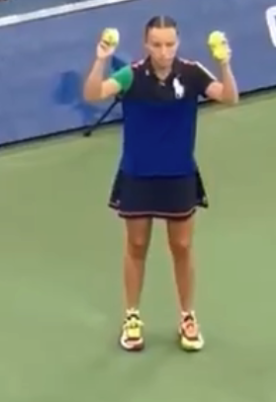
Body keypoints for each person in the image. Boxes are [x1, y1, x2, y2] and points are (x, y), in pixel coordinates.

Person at [82, 17, 239, 352]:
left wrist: (224, 64)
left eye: (169, 44)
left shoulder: (193, 72)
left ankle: (187, 316)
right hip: (138, 175)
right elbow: (93, 93)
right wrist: (101, 58)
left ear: (177, 43)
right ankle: (132, 317)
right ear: (146, 45)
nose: (164, 51)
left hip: (178, 174)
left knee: (181, 248)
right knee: (136, 247)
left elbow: (229, 97)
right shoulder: (131, 75)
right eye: (157, 44)